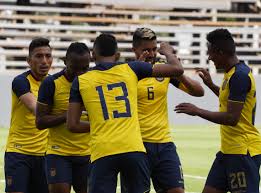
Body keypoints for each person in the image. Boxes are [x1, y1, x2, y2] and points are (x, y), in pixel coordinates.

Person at [67, 33, 184, 193]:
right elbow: (177, 69)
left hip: (103, 151)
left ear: (93, 55)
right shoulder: (132, 68)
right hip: (133, 149)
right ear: (118, 55)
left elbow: (72, 125)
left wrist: (100, 124)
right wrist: (168, 52)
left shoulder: (80, 81)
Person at [175, 28, 261, 193]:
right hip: (228, 151)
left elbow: (232, 117)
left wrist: (197, 111)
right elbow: (230, 100)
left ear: (221, 52)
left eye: (211, 53)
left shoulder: (239, 76)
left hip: (243, 152)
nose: (209, 57)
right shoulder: (233, 73)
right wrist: (211, 85)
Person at [121, 27, 204, 193]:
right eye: (146, 50)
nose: (151, 54)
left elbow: (198, 92)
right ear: (134, 50)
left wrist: (177, 69)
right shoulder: (124, 72)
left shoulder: (164, 70)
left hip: (164, 144)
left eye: (153, 49)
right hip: (136, 145)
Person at [36, 42, 91, 193]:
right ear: (66, 61)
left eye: (85, 68)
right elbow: (40, 122)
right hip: (59, 153)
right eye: (75, 68)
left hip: (88, 153)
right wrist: (69, 115)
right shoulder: (51, 83)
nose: (80, 74)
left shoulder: (94, 82)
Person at [5, 37, 52, 193]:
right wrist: (69, 115)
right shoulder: (21, 81)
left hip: (45, 154)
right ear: (28, 60)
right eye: (39, 56)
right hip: (19, 152)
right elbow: (36, 110)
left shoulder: (54, 83)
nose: (44, 61)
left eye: (48, 56)